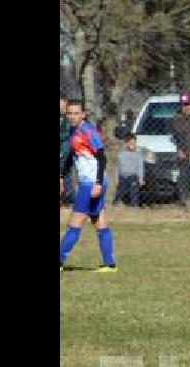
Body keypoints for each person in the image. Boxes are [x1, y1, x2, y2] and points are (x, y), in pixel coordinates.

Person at [60, 100, 118, 272]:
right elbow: (71, 157)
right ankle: (110, 264)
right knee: (99, 221)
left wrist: (98, 183)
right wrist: (62, 175)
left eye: (76, 113)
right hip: (89, 183)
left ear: (83, 114)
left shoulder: (88, 132)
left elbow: (102, 157)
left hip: (91, 183)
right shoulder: (73, 131)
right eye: (69, 113)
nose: (72, 116)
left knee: (75, 222)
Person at [115, 136, 144, 207]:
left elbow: (140, 168)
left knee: (134, 191)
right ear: (126, 143)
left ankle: (134, 204)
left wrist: (140, 179)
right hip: (122, 176)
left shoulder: (138, 155)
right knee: (121, 190)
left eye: (134, 143)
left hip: (133, 176)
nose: (132, 145)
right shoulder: (121, 154)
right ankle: (116, 202)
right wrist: (116, 179)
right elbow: (117, 167)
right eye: (131, 143)